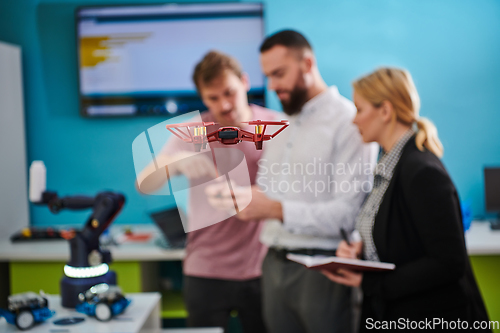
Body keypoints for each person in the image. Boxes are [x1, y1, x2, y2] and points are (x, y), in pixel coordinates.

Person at [230, 30, 378, 333]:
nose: (272, 86)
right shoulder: (280, 126)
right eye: (268, 76)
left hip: (324, 270)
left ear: (307, 63)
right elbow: (272, 192)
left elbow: (349, 215)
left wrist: (274, 209)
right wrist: (245, 199)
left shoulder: (349, 122)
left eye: (279, 74)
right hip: (273, 264)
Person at [323, 67, 491, 332]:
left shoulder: (422, 171)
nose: (354, 121)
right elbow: (401, 236)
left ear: (385, 111)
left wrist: (367, 282)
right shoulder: (390, 165)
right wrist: (362, 250)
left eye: (359, 109)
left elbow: (448, 262)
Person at [137, 50, 278, 332]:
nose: (224, 104)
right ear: (203, 98)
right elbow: (144, 184)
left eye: (229, 92)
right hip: (206, 269)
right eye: (213, 98)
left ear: (245, 82)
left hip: (262, 268)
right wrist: (174, 165)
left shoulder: (273, 126)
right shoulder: (195, 131)